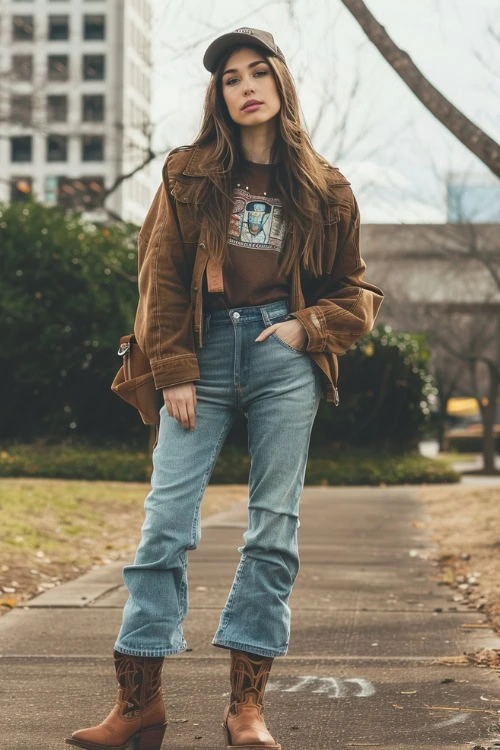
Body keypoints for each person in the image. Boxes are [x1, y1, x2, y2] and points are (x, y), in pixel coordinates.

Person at [65, 27, 384, 750]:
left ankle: (247, 710)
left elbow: (356, 288)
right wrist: (173, 368)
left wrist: (310, 328)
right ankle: (138, 703)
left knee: (273, 529)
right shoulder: (187, 173)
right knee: (164, 527)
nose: (245, 86)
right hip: (201, 354)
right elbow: (161, 277)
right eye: (231, 78)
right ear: (220, 95)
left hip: (282, 353)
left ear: (279, 85)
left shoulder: (326, 188)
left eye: (256, 72)